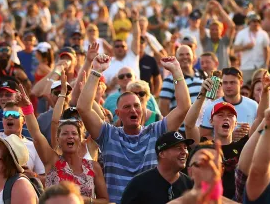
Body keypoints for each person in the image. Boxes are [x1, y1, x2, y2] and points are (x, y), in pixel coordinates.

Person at [77, 54, 191, 204]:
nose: (133, 110)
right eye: (127, 107)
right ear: (118, 113)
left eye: (137, 106)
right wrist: (96, 70)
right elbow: (83, 108)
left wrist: (177, 71)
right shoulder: (108, 134)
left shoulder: (155, 131)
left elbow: (183, 108)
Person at [20, 83, 109, 203]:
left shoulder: (93, 167)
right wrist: (27, 109)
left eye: (74, 134)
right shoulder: (52, 162)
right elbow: (36, 135)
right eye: (65, 134)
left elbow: (105, 200)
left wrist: (83, 200)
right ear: (58, 140)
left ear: (80, 138)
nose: (70, 137)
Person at [185, 77, 249, 199]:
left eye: (230, 116)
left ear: (235, 123)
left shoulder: (243, 146)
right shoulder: (204, 146)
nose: (226, 118)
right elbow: (189, 125)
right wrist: (202, 94)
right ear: (211, 121)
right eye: (220, 115)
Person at [121, 131, 194, 204]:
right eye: (178, 148)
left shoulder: (190, 185)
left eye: (185, 148)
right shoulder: (138, 184)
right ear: (162, 154)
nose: (184, 152)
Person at [200, 67, 258, 139]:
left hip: (248, 149)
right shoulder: (211, 107)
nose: (228, 86)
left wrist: (249, 132)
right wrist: (228, 137)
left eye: (232, 82)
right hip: (221, 150)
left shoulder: (253, 105)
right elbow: (204, 137)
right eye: (225, 83)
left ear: (241, 83)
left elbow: (260, 132)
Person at [159, 45, 206, 117]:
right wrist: (171, 126)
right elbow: (163, 107)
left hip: (202, 126)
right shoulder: (170, 80)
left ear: (193, 58)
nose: (185, 57)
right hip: (181, 127)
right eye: (181, 55)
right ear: (176, 59)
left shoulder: (203, 75)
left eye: (188, 54)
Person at [103, 9, 140, 83]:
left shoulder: (132, 56)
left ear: (127, 48)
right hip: (114, 94)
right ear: (112, 49)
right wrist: (112, 84)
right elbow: (104, 88)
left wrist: (135, 20)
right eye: (117, 46)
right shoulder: (107, 64)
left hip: (135, 93)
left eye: (122, 46)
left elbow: (136, 37)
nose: (120, 48)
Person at [234, 13, 270, 84]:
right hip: (246, 66)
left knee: (261, 86)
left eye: (258, 21)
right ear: (249, 22)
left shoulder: (263, 34)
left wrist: (266, 64)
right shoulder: (242, 33)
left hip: (260, 65)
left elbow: (266, 49)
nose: (256, 23)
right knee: (247, 86)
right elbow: (235, 48)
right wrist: (245, 47)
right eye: (253, 21)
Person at [200, 0, 236, 69]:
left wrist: (220, 10)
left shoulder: (225, 41)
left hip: (223, 74)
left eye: (216, 29)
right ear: (209, 31)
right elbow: (201, 27)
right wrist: (207, 11)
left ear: (221, 30)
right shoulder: (205, 41)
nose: (214, 31)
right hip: (209, 75)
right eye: (212, 29)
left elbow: (232, 27)